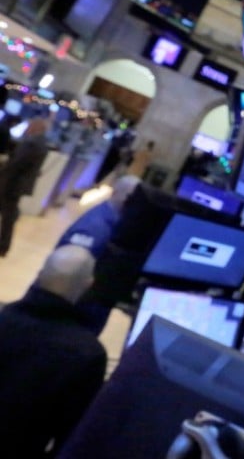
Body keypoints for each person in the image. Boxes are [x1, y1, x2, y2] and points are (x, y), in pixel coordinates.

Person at [0, 245, 107, 457]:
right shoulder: (88, 354)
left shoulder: (3, 318)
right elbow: (72, 436)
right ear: (88, 286)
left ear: (40, 275)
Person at [54, 174, 140, 333]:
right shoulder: (94, 227)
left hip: (91, 307)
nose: (133, 203)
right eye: (129, 197)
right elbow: (65, 274)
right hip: (70, 312)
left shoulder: (118, 221)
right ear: (115, 192)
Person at [0, 116, 51, 256]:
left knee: (8, 216)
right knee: (9, 214)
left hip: (12, 184)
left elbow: (16, 164)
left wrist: (3, 168)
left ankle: (3, 246)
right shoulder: (42, 143)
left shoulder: (31, 143)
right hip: (18, 185)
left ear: (35, 127)